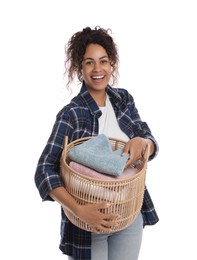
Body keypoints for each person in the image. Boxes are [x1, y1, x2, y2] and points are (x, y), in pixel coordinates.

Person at [34, 26, 159, 260]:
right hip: (88, 224)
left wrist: (143, 142)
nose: (97, 69)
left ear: (112, 64)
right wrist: (79, 209)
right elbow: (44, 170)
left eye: (103, 61)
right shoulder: (72, 113)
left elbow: (150, 141)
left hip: (129, 215)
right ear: (79, 69)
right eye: (89, 62)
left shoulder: (124, 100)